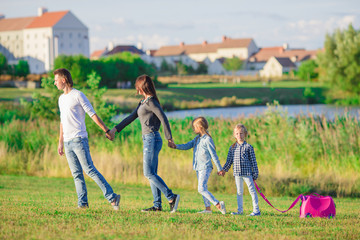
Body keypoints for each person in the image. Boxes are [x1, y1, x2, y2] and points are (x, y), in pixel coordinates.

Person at [107, 74, 180, 213]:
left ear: (143, 87)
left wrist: (169, 138)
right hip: (148, 139)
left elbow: (164, 119)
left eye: (138, 87)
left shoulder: (151, 102)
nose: (137, 89)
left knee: (148, 173)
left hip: (152, 138)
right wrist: (115, 130)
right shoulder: (143, 102)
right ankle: (157, 205)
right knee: (152, 173)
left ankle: (171, 197)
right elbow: (130, 117)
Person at [54, 68, 120, 210]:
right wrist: (60, 142)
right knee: (76, 174)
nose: (54, 83)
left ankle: (112, 197)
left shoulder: (78, 95)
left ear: (63, 80)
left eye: (56, 80)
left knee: (89, 169)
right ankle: (82, 204)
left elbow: (92, 114)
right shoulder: (61, 99)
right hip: (67, 142)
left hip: (79, 139)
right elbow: (62, 121)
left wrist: (106, 130)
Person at [169, 117, 226, 214]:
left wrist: (220, 168)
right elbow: (187, 145)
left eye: (194, 127)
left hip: (205, 167)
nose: (193, 129)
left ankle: (218, 204)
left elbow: (214, 155)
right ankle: (208, 209)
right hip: (198, 167)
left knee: (201, 189)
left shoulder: (207, 140)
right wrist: (176, 146)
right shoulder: (197, 139)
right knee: (203, 188)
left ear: (200, 127)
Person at [219, 124, 260, 216]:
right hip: (237, 173)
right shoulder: (232, 148)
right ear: (234, 135)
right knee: (239, 192)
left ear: (245, 134)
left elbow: (254, 162)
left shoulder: (249, 147)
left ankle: (256, 210)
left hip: (247, 173)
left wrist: (255, 173)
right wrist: (224, 170)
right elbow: (229, 161)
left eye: (241, 133)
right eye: (237, 133)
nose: (239, 135)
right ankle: (240, 211)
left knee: (252, 191)